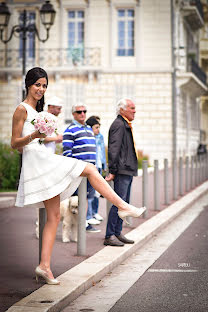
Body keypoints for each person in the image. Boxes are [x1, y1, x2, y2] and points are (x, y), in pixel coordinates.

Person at [11, 67, 145, 285]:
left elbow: (43, 139)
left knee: (54, 217)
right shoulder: (22, 109)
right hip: (36, 161)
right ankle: (122, 206)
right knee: (90, 169)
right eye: (37, 85)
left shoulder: (39, 111)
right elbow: (14, 144)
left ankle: (44, 266)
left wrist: (44, 136)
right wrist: (36, 135)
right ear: (28, 84)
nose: (41, 89)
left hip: (42, 160)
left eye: (44, 86)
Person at [104, 98, 142, 247]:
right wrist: (112, 170)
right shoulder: (119, 125)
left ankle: (117, 232)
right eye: (132, 108)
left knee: (124, 204)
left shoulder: (124, 124)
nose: (134, 111)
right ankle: (110, 235)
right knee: (119, 203)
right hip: (121, 170)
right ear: (122, 110)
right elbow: (113, 149)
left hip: (126, 169)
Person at [62, 104, 101, 233]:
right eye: (79, 112)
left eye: (84, 111)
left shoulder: (89, 129)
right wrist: (73, 170)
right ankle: (76, 225)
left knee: (86, 198)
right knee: (77, 199)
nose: (82, 114)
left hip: (90, 170)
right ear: (73, 114)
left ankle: (83, 223)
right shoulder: (70, 130)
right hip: (78, 171)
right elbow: (67, 152)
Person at [86, 116, 107, 221]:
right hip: (91, 167)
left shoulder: (100, 137)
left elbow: (102, 151)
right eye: (96, 127)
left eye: (99, 127)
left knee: (97, 193)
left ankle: (95, 212)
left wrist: (104, 166)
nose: (98, 130)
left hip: (98, 166)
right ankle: (88, 216)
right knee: (90, 193)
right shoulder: (88, 137)